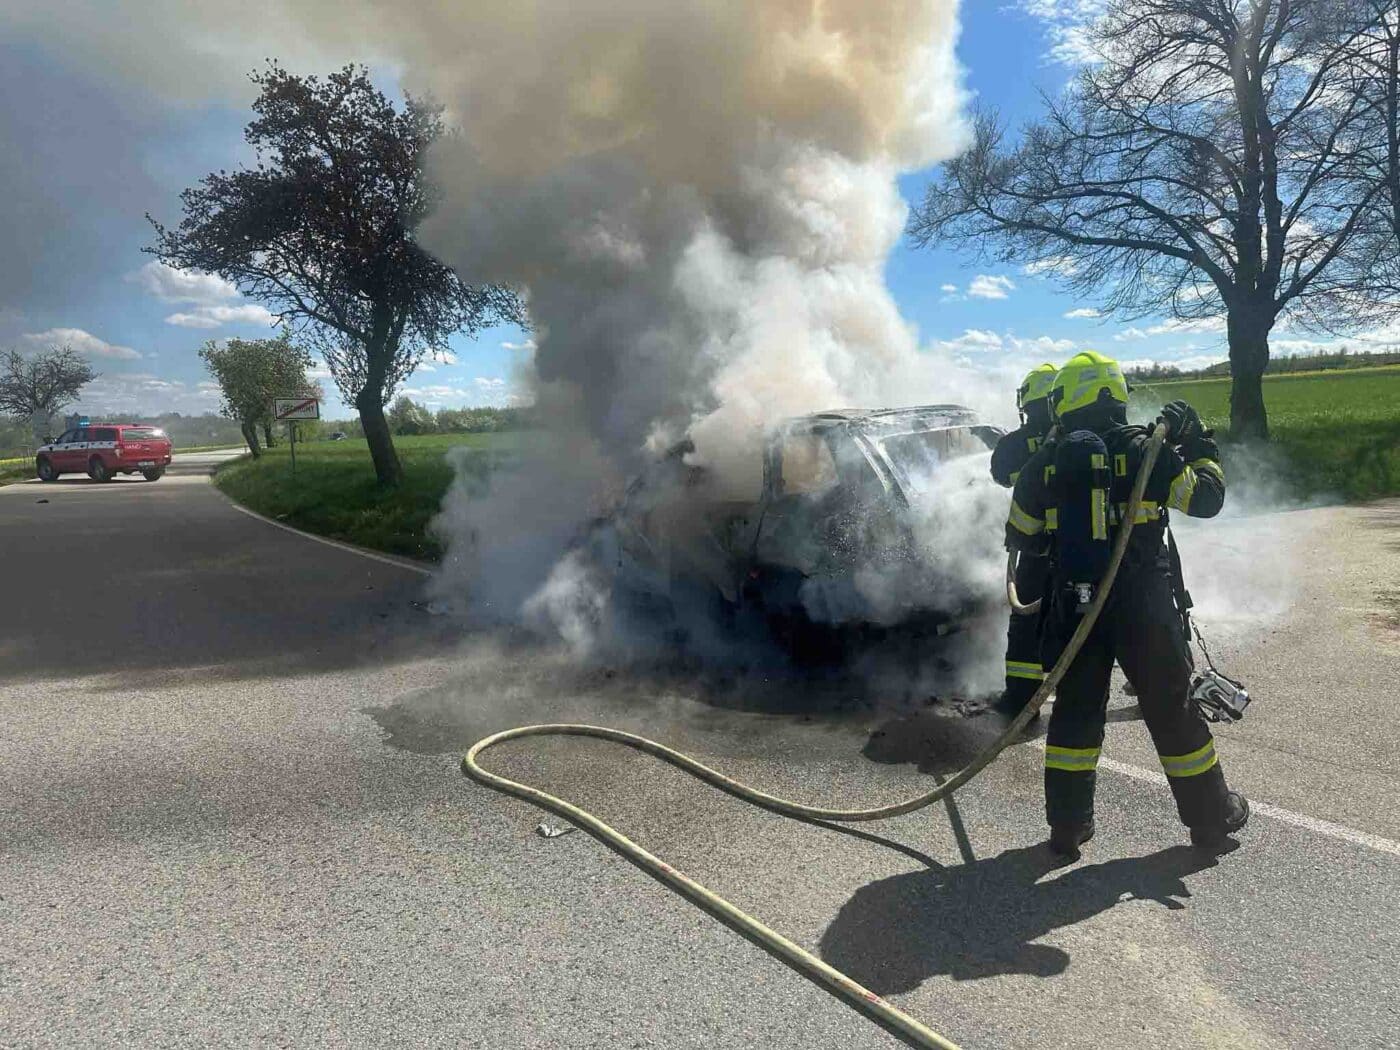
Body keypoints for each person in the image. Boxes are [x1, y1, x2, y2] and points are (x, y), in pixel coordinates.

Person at [1004, 350, 1249, 858]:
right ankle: (1211, 821)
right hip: (1144, 606)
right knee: (1173, 711)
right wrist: (1198, 442)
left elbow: (1021, 535)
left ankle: (1068, 829)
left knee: (1074, 716)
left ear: (1065, 400)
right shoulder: (1149, 451)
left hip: (1075, 606)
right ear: (1116, 396)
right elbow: (1206, 499)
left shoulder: (1045, 462)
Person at [989, 363, 1058, 720]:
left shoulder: (1015, 445)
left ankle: (1021, 700)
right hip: (1087, 547)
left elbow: (1001, 475)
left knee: (1026, 624)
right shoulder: (1083, 438)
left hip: (1034, 545)